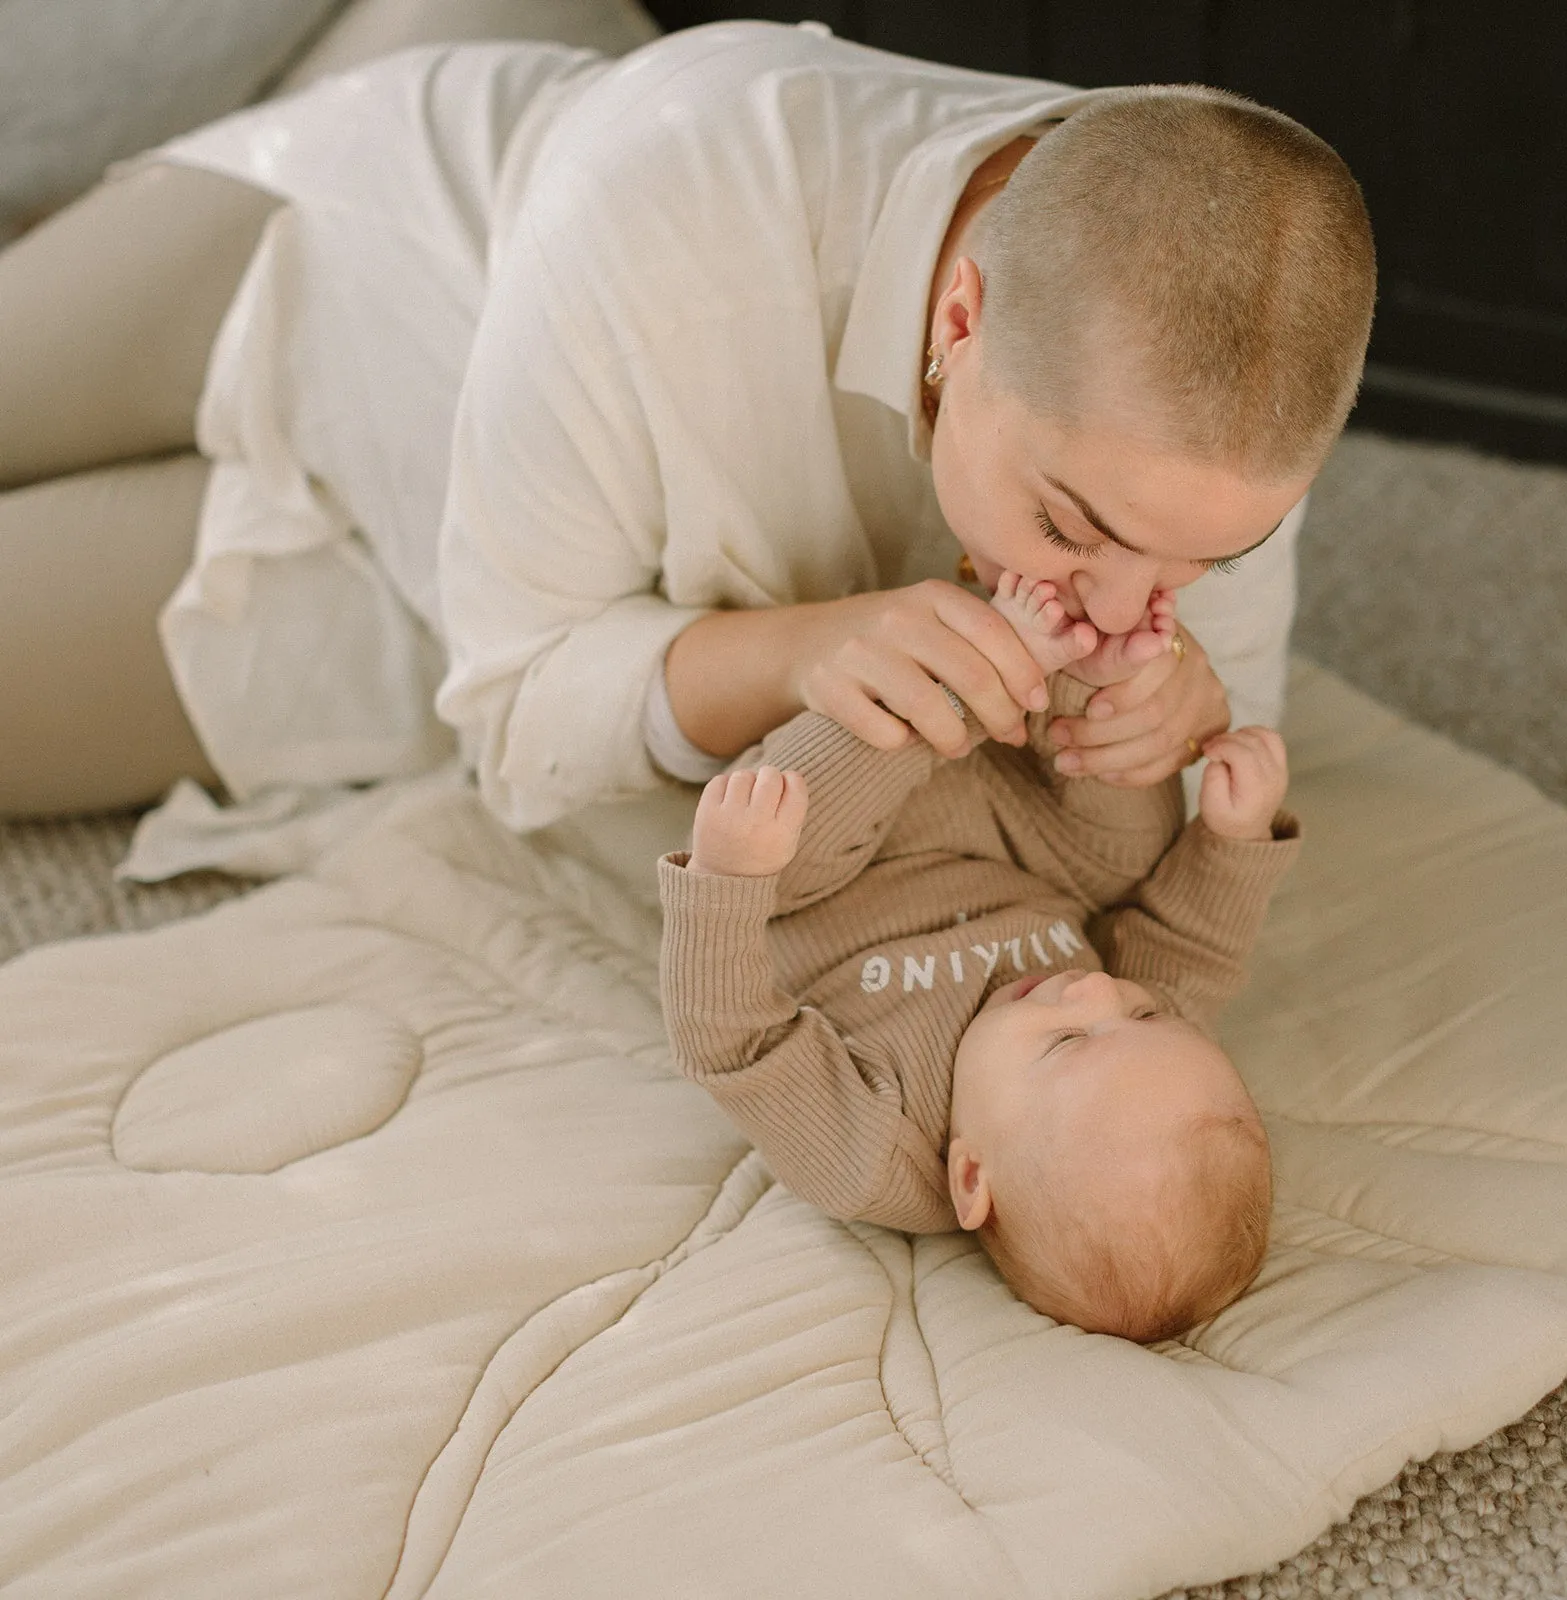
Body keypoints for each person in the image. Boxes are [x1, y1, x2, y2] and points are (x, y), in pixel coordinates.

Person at [0, 10, 1374, 881]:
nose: (1131, 605)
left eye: (1204, 556)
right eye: (1076, 528)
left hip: (412, 569)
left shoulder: (1223, 374)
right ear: (962, 316)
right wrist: (798, 649)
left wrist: (1192, 723)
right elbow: (523, 710)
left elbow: (1212, 747)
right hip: (363, 255)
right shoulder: (670, 217)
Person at [658, 571, 1300, 1341]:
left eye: (1066, 1040)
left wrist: (729, 879)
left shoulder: (870, 1154)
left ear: (970, 1176)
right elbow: (1189, 944)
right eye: (1145, 1011)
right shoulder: (1142, 1059)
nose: (1095, 988)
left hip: (837, 868)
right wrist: (1233, 836)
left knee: (789, 838)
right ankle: (1088, 677)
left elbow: (737, 1043)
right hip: (1020, 838)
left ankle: (968, 676)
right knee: (1134, 855)